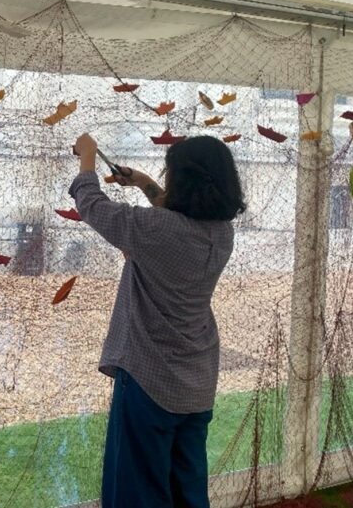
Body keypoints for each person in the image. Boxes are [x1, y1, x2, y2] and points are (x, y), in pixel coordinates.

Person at [70, 133, 246, 508]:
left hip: (150, 380)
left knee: (137, 493)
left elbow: (93, 205)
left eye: (169, 175)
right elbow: (176, 214)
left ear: (183, 181)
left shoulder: (156, 230)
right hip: (196, 383)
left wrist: (87, 158)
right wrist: (144, 183)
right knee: (188, 492)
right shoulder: (221, 232)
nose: (165, 181)